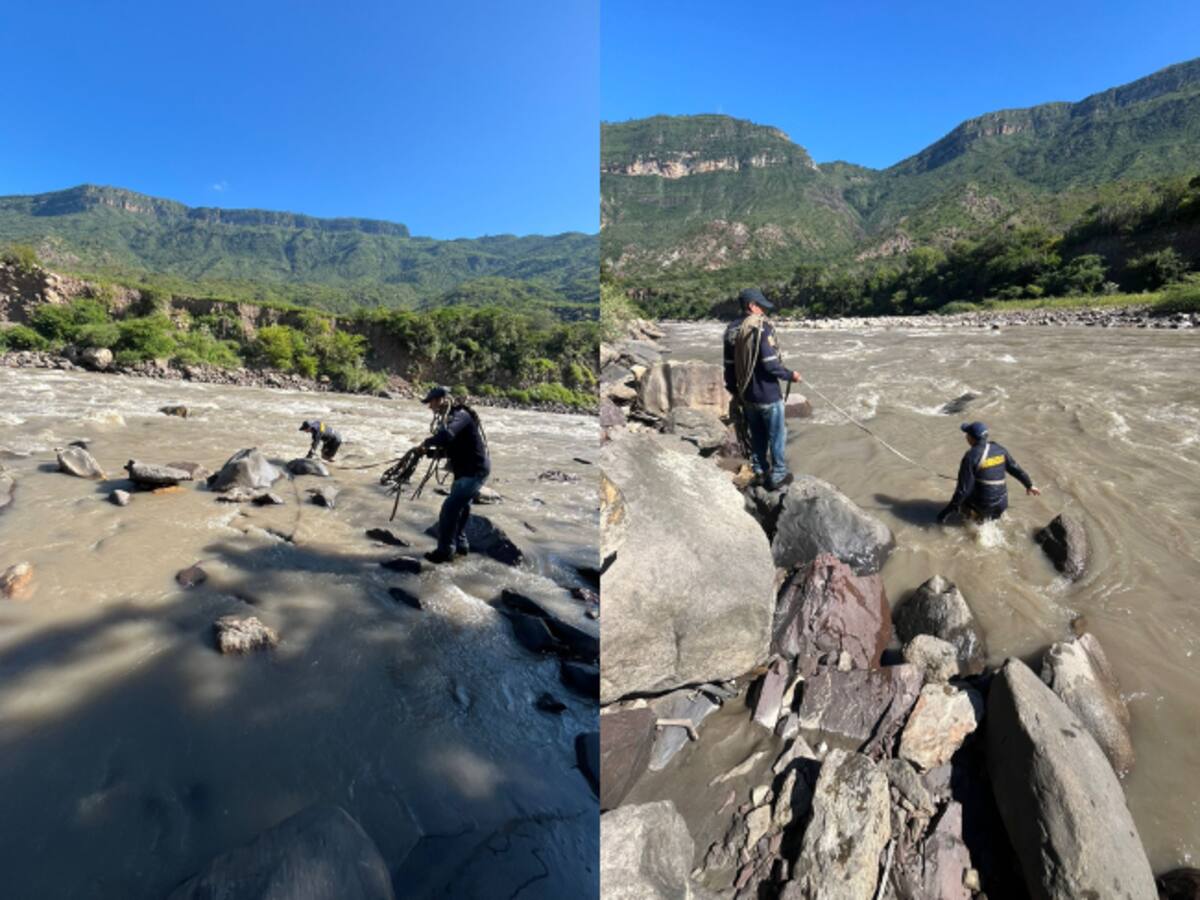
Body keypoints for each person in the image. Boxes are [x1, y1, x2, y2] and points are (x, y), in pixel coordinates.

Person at [722, 287, 803, 491]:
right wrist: (791, 375)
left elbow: (729, 366)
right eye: (761, 306)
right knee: (776, 435)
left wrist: (735, 391)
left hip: (748, 396)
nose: (764, 311)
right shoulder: (760, 327)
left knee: (757, 435)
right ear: (752, 306)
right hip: (767, 395)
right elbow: (770, 364)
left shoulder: (731, 329)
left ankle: (759, 472)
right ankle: (778, 475)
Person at [419, 386, 491, 563]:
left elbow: (447, 436)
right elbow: (450, 448)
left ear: (442, 399)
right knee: (460, 509)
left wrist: (427, 443)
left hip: (473, 471)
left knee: (449, 510)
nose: (430, 407)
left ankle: (445, 552)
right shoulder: (452, 419)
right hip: (466, 471)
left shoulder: (460, 415)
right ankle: (461, 546)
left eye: (432, 402)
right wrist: (427, 453)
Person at [937, 421, 1041, 523]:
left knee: (963, 503)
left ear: (971, 438)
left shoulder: (971, 456)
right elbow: (1015, 469)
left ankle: (972, 522)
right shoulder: (1000, 449)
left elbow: (963, 490)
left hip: (983, 505)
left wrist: (946, 512)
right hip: (1002, 504)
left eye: (967, 434)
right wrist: (1029, 485)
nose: (966, 436)